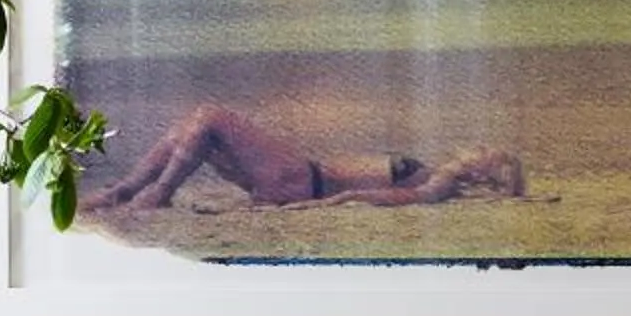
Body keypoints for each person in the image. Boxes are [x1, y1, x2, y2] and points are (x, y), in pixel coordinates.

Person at [89, 103, 527, 213]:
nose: (477, 151)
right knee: (195, 128)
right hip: (300, 177)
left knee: (210, 118)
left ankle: (154, 192)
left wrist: (329, 203)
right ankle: (127, 191)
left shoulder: (438, 186)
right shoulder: (437, 178)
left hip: (302, 181)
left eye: (487, 157)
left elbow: (385, 198)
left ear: (485, 176)